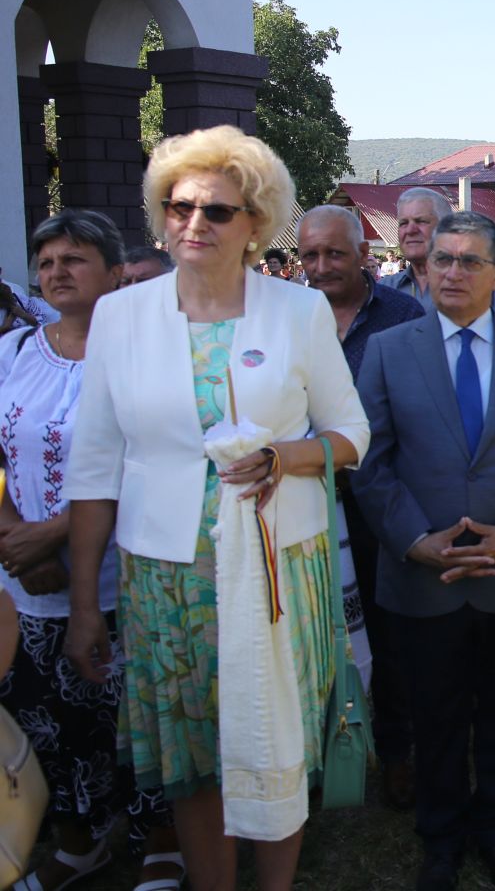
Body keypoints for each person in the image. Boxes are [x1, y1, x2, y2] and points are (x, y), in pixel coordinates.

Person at [63, 125, 370, 891]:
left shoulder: (298, 311)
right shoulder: (121, 317)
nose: (193, 224)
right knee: (192, 751)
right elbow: (95, 468)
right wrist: (82, 606)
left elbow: (352, 433)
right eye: (178, 206)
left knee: (277, 737)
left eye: (217, 211)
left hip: (277, 563)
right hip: (165, 574)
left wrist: (286, 457)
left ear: (255, 223)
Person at [353, 209, 495, 890]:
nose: (449, 272)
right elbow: (368, 460)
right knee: (437, 712)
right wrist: (417, 542)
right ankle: (441, 834)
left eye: (465, 261)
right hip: (428, 575)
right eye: (438, 260)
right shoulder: (390, 351)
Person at [0, 212, 183, 891]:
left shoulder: (148, 358)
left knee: (134, 718)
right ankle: (78, 842)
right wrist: (16, 533)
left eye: (74, 259)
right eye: (46, 262)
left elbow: (155, 464)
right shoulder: (14, 351)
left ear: (113, 274)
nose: (56, 272)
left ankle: (161, 842)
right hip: (26, 578)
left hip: (123, 575)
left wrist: (54, 533)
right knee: (45, 719)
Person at [296, 205, 425, 811]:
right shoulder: (284, 319)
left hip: (381, 501)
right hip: (302, 502)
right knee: (313, 633)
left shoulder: (403, 315)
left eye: (334, 254)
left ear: (364, 254)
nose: (320, 267)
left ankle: (397, 754)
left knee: (391, 633)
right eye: (309, 255)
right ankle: (323, 754)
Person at [383, 187, 454, 307]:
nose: (410, 230)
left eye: (421, 221)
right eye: (403, 223)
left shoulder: (472, 287)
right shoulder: (384, 291)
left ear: (446, 228)